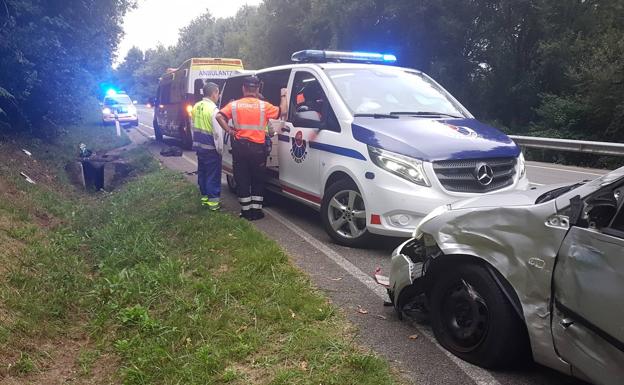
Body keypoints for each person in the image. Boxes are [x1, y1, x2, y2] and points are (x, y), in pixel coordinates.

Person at [216, 76, 288, 220]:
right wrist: (284, 95)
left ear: (243, 88)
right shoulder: (264, 106)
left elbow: (219, 116)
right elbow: (283, 111)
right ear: (257, 89)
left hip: (240, 148)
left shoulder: (234, 105)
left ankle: (246, 211)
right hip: (258, 149)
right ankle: (256, 211)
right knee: (257, 180)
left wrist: (229, 130)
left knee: (242, 179)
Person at [191, 82, 223, 211]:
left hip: (199, 147)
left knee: (202, 173)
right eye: (218, 93)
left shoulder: (196, 106)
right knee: (213, 176)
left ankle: (204, 199)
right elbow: (217, 134)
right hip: (211, 148)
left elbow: (192, 127)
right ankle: (213, 205)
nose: (219, 95)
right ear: (214, 93)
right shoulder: (214, 110)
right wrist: (220, 150)